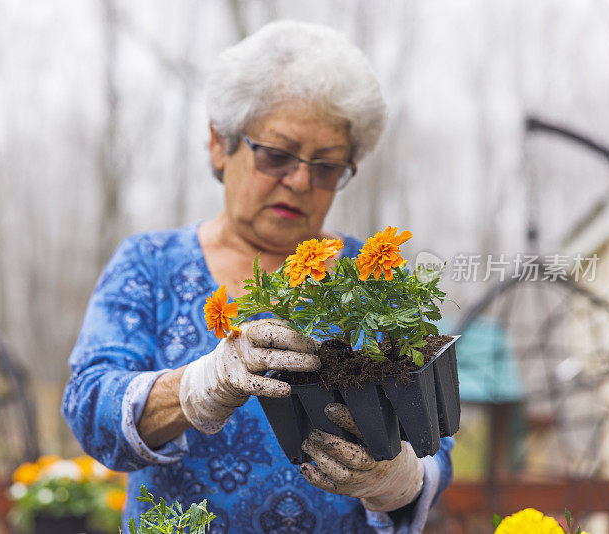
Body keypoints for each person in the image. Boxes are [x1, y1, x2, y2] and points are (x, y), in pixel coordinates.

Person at [62, 20, 453, 533]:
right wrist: (197, 387)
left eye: (327, 167)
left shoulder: (373, 277)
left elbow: (436, 436)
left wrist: (400, 479)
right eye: (276, 154)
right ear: (220, 145)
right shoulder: (150, 265)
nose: (299, 180)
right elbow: (90, 403)